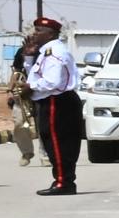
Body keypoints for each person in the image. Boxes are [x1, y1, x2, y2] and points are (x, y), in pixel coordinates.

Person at [22, 18, 83, 192]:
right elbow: (35, 76)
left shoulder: (54, 52)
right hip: (53, 100)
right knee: (52, 142)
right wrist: (28, 57)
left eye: (39, 31)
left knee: (58, 142)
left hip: (58, 101)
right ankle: (62, 180)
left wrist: (30, 87)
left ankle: (64, 182)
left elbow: (53, 81)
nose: (34, 34)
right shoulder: (46, 52)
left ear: (50, 34)